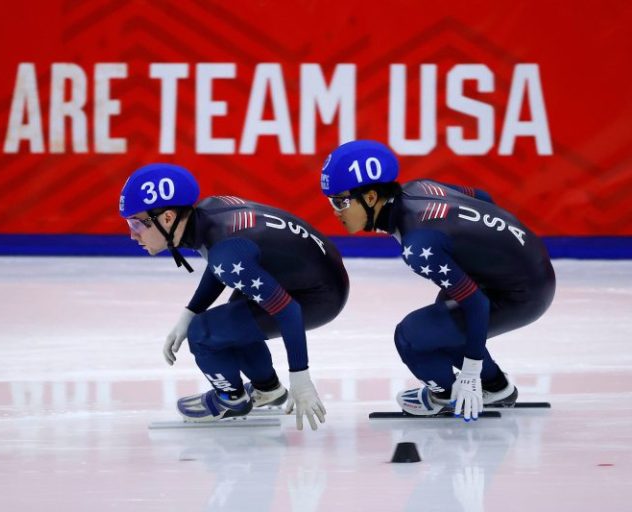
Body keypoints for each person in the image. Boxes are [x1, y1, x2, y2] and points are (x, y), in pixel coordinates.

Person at [319, 140, 555, 421]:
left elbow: (477, 305)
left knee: (412, 335)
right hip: (528, 270)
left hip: (521, 294)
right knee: (443, 321)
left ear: (370, 198)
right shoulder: (420, 188)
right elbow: (482, 197)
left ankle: (445, 395)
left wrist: (468, 373)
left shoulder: (419, 246)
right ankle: (495, 387)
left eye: (340, 201)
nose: (335, 211)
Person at [119, 163, 349, 430]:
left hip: (319, 296)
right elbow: (222, 262)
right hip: (313, 273)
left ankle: (231, 400)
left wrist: (301, 378)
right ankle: (267, 389)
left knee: (204, 332)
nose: (132, 234)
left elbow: (288, 311)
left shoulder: (226, 254)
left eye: (137, 223)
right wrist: (190, 310)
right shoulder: (210, 211)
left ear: (168, 218)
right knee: (231, 320)